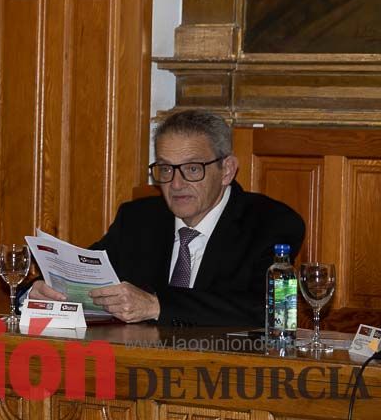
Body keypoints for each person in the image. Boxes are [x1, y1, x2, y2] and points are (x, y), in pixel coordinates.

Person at [28, 109, 305, 326]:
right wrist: (38, 293)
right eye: (165, 169)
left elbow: (270, 310)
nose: (176, 184)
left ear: (227, 170)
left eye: (192, 169)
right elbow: (83, 276)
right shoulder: (138, 219)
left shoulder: (271, 224)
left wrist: (157, 306)